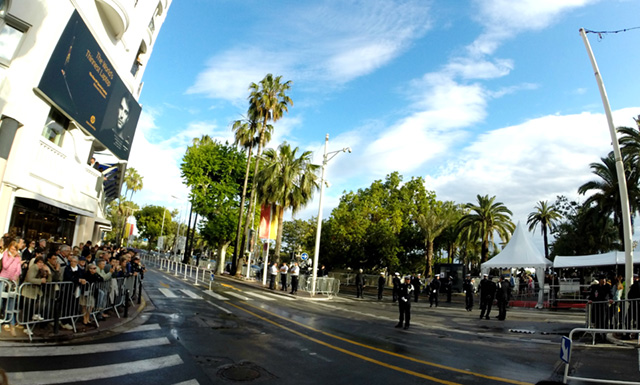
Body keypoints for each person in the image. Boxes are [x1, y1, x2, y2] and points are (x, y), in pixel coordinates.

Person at [0, 241, 22, 336]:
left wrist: (14, 277)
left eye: (15, 249)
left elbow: (18, 270)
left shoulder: (18, 258)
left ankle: (12, 325)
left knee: (10, 305)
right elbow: (5, 266)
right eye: (12, 249)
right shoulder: (6, 254)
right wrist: (12, 257)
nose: (13, 251)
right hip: (2, 280)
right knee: (0, 303)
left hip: (11, 282)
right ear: (9, 248)